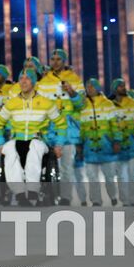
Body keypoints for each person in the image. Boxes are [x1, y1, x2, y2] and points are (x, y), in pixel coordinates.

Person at [0, 68, 66, 204]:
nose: (23, 81)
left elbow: (61, 124)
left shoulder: (46, 103)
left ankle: (33, 189)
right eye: (21, 78)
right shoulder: (12, 103)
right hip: (17, 140)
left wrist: (59, 145)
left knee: (34, 145)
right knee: (9, 149)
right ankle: (19, 192)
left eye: (27, 78)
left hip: (38, 140)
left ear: (33, 81)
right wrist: (1, 143)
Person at [37, 50, 84, 205]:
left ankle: (65, 197)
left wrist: (71, 92)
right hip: (48, 129)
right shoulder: (44, 82)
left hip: (68, 130)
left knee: (66, 167)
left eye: (59, 59)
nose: (55, 62)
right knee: (44, 163)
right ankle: (47, 194)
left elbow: (81, 105)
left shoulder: (75, 79)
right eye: (53, 59)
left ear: (64, 61)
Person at [77, 79, 124, 205]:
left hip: (106, 146)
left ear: (98, 88)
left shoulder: (108, 104)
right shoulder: (83, 105)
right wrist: (79, 145)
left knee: (109, 176)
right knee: (92, 177)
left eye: (92, 86)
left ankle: (113, 196)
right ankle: (96, 200)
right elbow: (81, 127)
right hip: (89, 146)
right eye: (87, 86)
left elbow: (115, 124)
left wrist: (117, 141)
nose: (89, 88)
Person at [110, 80, 134, 205]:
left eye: (123, 85)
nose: (123, 87)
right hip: (118, 146)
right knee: (121, 176)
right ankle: (125, 200)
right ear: (114, 89)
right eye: (120, 86)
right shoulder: (110, 106)